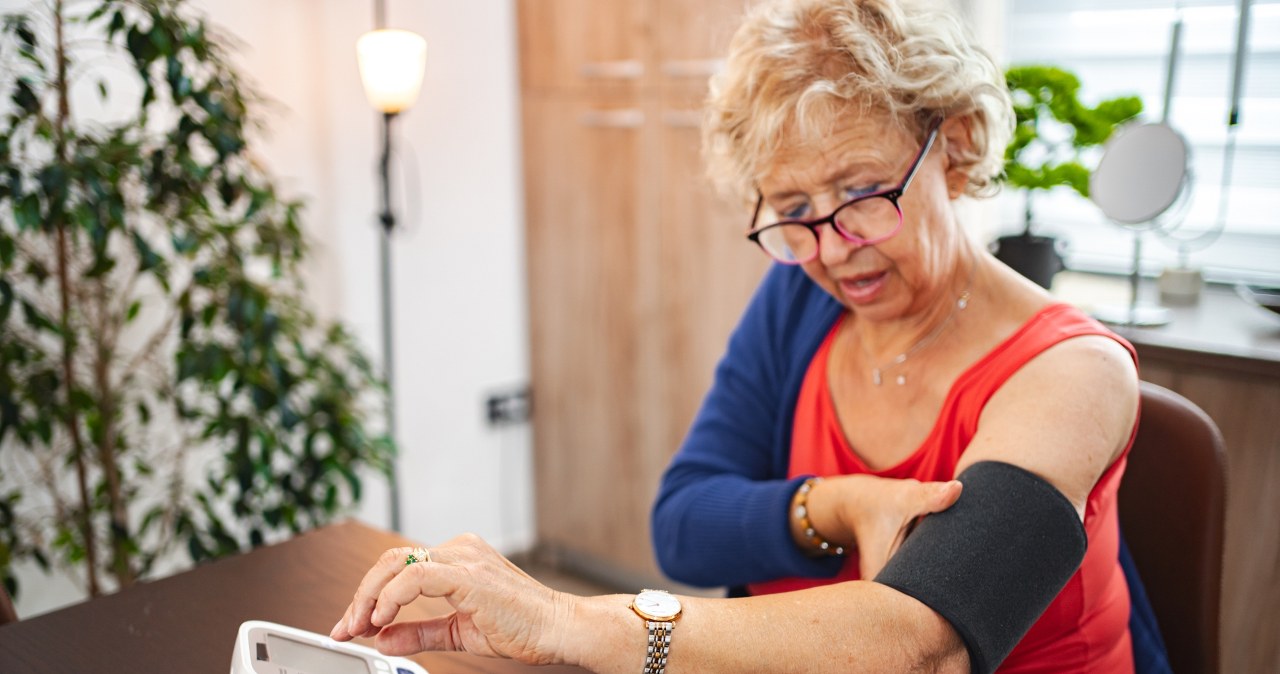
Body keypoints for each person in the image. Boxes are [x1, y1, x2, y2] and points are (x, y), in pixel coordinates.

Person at [332, 1, 1151, 672]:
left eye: (863, 192)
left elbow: (926, 644)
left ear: (959, 148)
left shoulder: (1072, 374)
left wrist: (568, 622)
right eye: (793, 211)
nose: (831, 250)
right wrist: (834, 503)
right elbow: (684, 524)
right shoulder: (802, 296)